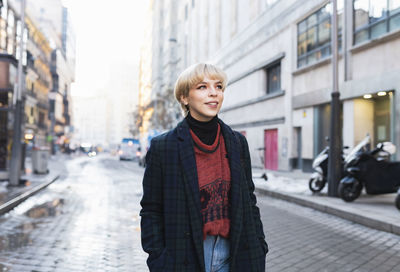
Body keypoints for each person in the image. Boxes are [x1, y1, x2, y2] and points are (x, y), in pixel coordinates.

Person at [140, 63, 268, 272]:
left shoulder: (237, 142)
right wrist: (159, 259)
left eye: (218, 87)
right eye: (202, 87)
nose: (213, 94)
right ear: (184, 98)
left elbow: (249, 200)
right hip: (184, 257)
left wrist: (259, 245)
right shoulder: (164, 147)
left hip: (235, 254)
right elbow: (151, 209)